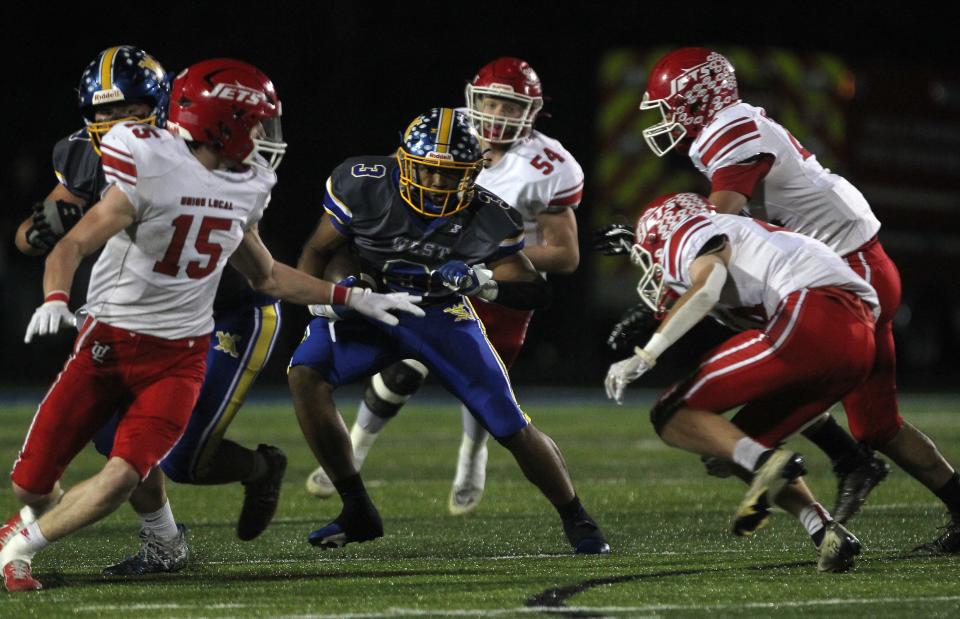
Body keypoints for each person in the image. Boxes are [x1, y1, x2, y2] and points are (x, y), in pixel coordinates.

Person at [0, 58, 422, 592]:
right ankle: (152, 540)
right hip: (112, 335)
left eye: (129, 109)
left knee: (169, 463)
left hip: (203, 331)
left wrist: (351, 297)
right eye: (257, 122)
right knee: (54, 474)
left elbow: (264, 274)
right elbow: (55, 238)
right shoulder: (126, 157)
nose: (266, 136)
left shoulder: (241, 182)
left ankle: (17, 546)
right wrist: (53, 286)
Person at [12, 46, 283, 577]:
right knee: (118, 445)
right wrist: (44, 231)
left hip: (220, 313)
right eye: (103, 113)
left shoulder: (204, 151)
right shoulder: (83, 154)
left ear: (165, 109)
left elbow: (254, 262)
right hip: (136, 325)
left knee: (185, 460)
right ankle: (164, 544)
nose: (115, 123)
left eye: (130, 110)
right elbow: (37, 234)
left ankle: (259, 468)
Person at [288, 107, 608, 555]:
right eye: (429, 171)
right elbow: (321, 249)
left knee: (507, 421)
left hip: (438, 311)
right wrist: (329, 295)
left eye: (451, 174)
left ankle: (577, 515)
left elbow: (533, 290)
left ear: (474, 172)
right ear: (403, 161)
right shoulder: (361, 183)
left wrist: (486, 284)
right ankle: (356, 508)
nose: (437, 185)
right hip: (370, 303)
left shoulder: (492, 216)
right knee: (305, 374)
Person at [637, 47, 894, 525]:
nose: (665, 118)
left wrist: (657, 321)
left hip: (841, 272)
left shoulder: (728, 133)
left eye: (670, 105)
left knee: (873, 421)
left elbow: (721, 228)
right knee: (732, 441)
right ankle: (846, 466)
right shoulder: (733, 128)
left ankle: (851, 463)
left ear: (697, 100)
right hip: (828, 274)